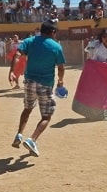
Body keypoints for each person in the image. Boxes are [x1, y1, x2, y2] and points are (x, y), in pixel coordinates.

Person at [9, 19, 66, 157]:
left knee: (27, 108)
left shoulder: (29, 41)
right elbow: (61, 67)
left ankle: (19, 134)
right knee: (46, 116)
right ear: (53, 32)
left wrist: (12, 71)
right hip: (45, 84)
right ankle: (32, 139)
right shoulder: (56, 47)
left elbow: (17, 55)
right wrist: (60, 81)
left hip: (29, 81)